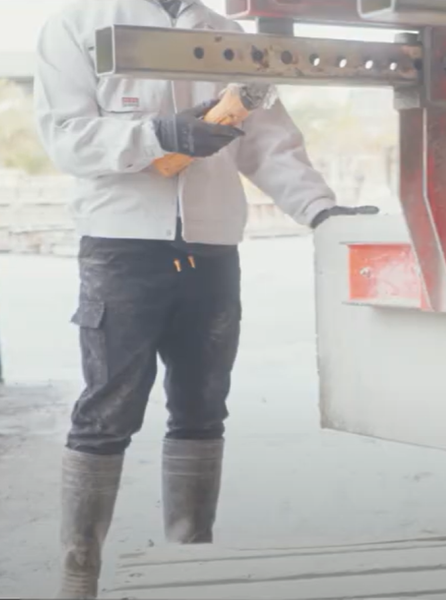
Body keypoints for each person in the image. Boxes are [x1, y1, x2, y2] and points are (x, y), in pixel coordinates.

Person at [33, 1, 378, 597]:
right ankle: (78, 572)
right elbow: (64, 137)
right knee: (106, 414)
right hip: (122, 247)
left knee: (201, 410)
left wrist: (320, 209)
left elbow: (266, 140)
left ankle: (190, 565)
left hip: (212, 249)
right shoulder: (79, 23)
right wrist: (158, 135)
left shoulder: (225, 34)